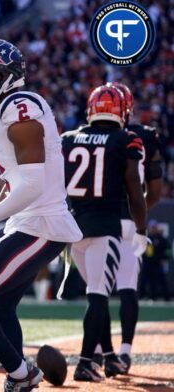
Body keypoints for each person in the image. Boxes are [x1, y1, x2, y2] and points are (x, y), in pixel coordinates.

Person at [0, 38, 83, 392]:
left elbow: (34, 185)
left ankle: (20, 374)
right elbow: (15, 183)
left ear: (0, 77)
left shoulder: (20, 108)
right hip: (29, 222)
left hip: (42, 223)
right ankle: (22, 375)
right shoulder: (6, 108)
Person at [62, 84, 147, 382]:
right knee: (98, 297)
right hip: (105, 228)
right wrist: (142, 228)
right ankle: (86, 362)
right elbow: (135, 193)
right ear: (122, 112)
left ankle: (109, 357)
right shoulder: (126, 140)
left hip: (75, 230)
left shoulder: (68, 139)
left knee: (96, 293)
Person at [93, 82, 165, 373]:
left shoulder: (90, 136)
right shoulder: (145, 136)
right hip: (127, 221)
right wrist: (140, 220)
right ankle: (123, 352)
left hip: (96, 220)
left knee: (96, 290)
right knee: (127, 287)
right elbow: (156, 191)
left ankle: (100, 351)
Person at [140, 223, 171, 301]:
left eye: (154, 227)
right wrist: (144, 258)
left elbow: (167, 250)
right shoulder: (148, 238)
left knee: (161, 280)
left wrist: (165, 258)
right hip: (148, 264)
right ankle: (142, 296)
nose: (153, 229)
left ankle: (166, 297)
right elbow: (144, 251)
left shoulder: (161, 239)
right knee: (144, 280)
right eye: (152, 228)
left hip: (158, 264)